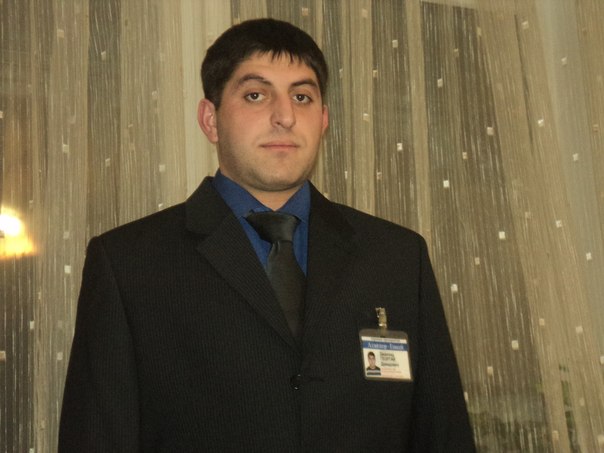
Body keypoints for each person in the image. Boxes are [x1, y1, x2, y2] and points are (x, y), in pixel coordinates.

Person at [59, 18, 476, 452]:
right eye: (256, 95)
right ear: (211, 119)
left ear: (323, 119)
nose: (285, 116)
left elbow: (443, 432)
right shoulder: (130, 264)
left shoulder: (397, 257)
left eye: (302, 97)